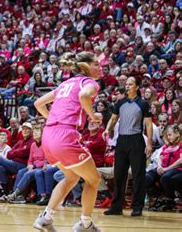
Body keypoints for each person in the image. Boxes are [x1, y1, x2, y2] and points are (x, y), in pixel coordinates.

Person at [33, 52, 102, 232]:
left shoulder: (65, 84)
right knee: (94, 180)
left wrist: (53, 120)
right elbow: (84, 97)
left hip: (48, 135)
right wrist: (93, 116)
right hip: (65, 136)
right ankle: (85, 224)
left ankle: (46, 218)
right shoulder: (89, 83)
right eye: (96, 64)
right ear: (85, 66)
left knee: (71, 177)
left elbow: (38, 103)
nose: (100, 67)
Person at [103, 76, 153, 217]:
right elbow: (113, 119)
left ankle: (137, 207)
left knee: (138, 175)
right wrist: (107, 129)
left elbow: (148, 124)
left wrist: (149, 143)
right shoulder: (120, 103)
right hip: (122, 141)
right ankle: (116, 207)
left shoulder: (143, 103)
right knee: (119, 175)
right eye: (126, 84)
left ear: (137, 87)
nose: (127, 86)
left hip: (136, 140)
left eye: (131, 84)